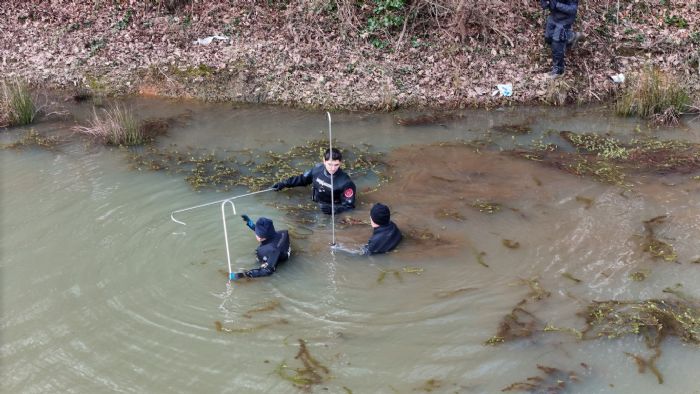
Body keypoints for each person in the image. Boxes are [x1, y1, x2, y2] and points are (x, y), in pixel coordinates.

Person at [271, 148, 356, 215]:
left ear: (340, 163)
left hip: (331, 209)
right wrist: (285, 183)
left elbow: (349, 207)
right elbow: (302, 179)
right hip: (314, 203)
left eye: (336, 165)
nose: (333, 168)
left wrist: (334, 210)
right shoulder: (317, 169)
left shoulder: (346, 183)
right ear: (324, 161)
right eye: (330, 164)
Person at [229, 215, 291, 281]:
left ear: (260, 237)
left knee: (260, 257)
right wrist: (250, 223)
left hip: (277, 255)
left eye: (257, 233)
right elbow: (260, 230)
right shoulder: (277, 233)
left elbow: (269, 271)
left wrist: (244, 275)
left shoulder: (273, 250)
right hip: (279, 245)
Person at [541, 0, 581, 78]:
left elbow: (573, 9)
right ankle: (571, 36)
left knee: (557, 42)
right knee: (548, 38)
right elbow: (544, 3)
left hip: (565, 19)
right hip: (554, 16)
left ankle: (559, 70)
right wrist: (546, 4)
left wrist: (557, 5)